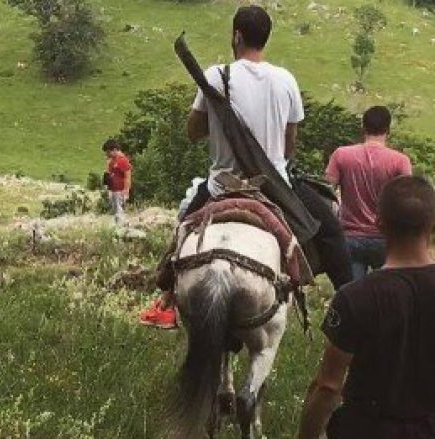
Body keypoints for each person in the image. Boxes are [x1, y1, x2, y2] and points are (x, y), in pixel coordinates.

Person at [140, 5, 351, 328]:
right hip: (276, 188)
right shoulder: (286, 80)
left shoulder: (216, 77)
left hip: (222, 187)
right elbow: (289, 141)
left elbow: (193, 132)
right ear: (265, 38)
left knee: (182, 230)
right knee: (333, 234)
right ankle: (350, 310)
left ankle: (166, 299)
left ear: (236, 35)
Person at [298, 175, 435, 439]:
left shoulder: (355, 297)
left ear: (378, 223)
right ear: (432, 224)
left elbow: (328, 386)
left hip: (368, 428)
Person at [326, 106, 412, 280]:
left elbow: (327, 192)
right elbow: (407, 201)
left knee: (353, 295)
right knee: (389, 294)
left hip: (350, 236)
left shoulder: (341, 155)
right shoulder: (400, 161)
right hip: (386, 239)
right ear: (388, 129)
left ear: (363, 127)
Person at [103, 139, 132, 226]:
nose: (107, 154)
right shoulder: (112, 161)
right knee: (114, 211)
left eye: (108, 152)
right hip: (113, 190)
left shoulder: (122, 161)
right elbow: (108, 174)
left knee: (119, 211)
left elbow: (127, 176)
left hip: (120, 190)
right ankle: (117, 226)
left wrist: (126, 190)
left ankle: (121, 226)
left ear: (115, 150)